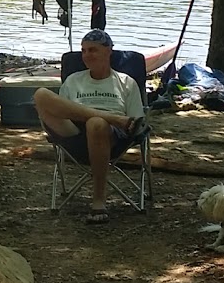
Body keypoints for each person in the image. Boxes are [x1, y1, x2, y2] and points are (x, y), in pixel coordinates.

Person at [33, 28, 144, 225]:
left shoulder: (126, 82)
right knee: (41, 94)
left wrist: (112, 122)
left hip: (111, 135)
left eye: (92, 50)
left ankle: (99, 200)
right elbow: (62, 111)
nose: (86, 55)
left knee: (96, 123)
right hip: (74, 133)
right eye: (83, 50)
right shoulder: (73, 80)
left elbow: (135, 122)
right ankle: (106, 117)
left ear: (108, 51)